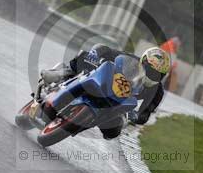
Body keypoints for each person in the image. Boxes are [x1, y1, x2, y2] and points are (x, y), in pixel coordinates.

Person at [41, 44, 171, 139]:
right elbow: (105, 49)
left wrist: (136, 116)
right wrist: (95, 54)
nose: (153, 76)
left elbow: (145, 114)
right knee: (84, 58)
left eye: (158, 75)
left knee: (113, 132)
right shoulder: (131, 60)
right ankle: (60, 74)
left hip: (117, 103)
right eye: (151, 70)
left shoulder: (157, 92)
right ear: (143, 62)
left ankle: (81, 122)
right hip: (104, 83)